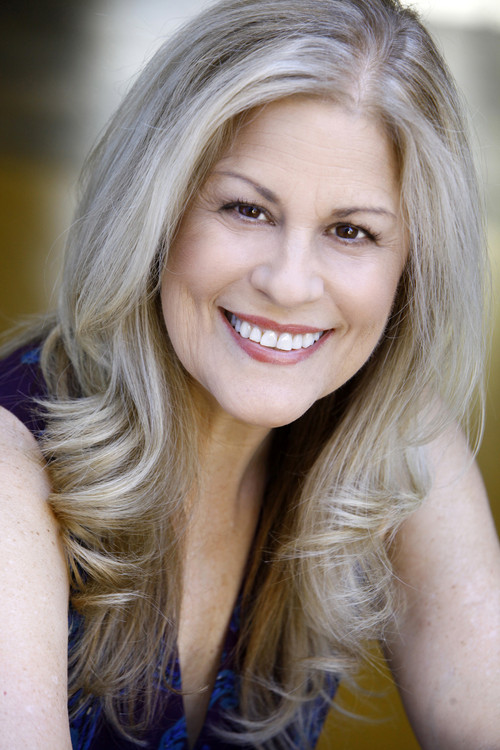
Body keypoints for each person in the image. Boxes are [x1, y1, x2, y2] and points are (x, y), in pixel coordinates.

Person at [1, 0, 499, 747]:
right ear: (157, 211)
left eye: (351, 231)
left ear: (410, 267)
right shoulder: (13, 473)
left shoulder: (394, 436)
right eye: (246, 210)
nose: (290, 284)